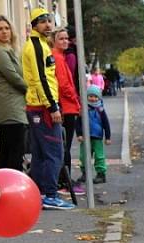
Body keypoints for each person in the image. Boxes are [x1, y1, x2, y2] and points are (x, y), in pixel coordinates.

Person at [22, 7, 73, 210]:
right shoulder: (35, 46)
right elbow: (41, 78)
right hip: (42, 107)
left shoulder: (41, 44)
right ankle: (50, 194)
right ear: (34, 25)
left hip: (38, 105)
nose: (47, 24)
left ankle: (41, 194)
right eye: (42, 21)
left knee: (41, 153)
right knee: (54, 152)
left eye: (49, 20)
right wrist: (52, 106)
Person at [0, 15, 27, 172]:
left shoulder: (11, 50)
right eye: (0, 29)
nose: (4, 32)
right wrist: (34, 92)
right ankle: (9, 191)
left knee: (9, 152)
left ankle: (1, 190)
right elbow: (15, 78)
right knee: (13, 154)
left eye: (7, 28)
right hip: (8, 107)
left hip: (15, 105)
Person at [50, 28, 82, 194]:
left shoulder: (60, 57)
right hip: (66, 107)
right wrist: (76, 100)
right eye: (61, 38)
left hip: (67, 106)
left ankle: (64, 179)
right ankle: (65, 181)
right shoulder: (57, 57)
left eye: (66, 39)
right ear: (54, 41)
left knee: (64, 145)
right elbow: (63, 85)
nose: (65, 41)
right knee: (65, 146)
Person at [76, 85, 111, 184]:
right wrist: (79, 134)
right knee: (84, 156)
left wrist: (108, 137)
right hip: (85, 137)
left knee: (99, 156)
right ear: (86, 97)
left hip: (97, 137)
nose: (93, 98)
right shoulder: (83, 109)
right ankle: (85, 173)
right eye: (90, 96)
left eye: (95, 97)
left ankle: (101, 174)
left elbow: (106, 123)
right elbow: (78, 122)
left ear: (99, 98)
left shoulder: (100, 110)